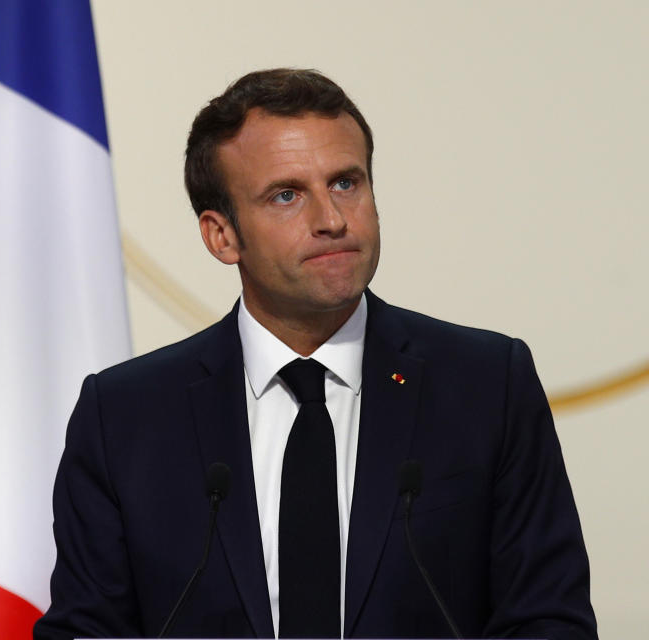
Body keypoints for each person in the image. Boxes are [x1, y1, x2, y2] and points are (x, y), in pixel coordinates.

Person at [33, 69, 597, 639]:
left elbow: (548, 620)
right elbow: (87, 629)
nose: (331, 220)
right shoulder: (126, 415)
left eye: (347, 183)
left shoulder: (486, 386)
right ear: (221, 236)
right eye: (286, 195)